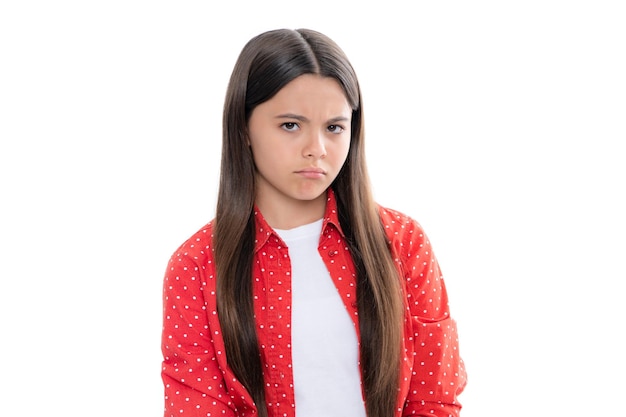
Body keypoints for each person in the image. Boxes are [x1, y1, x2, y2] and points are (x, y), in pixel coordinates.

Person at [161, 28, 467, 417]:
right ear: (243, 128)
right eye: (291, 125)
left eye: (334, 127)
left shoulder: (403, 243)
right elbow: (198, 407)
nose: (316, 150)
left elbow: (434, 398)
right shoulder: (196, 266)